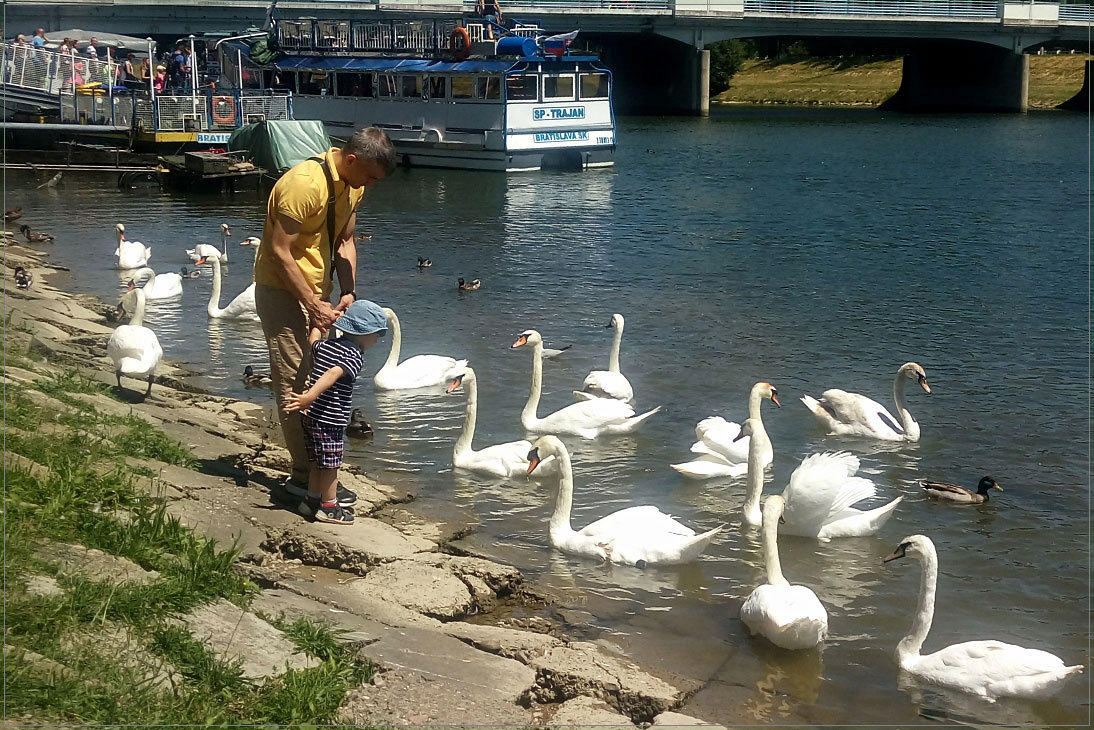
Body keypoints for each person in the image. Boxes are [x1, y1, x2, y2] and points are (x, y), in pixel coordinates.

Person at [253, 127, 396, 508]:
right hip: (283, 290)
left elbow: (345, 240)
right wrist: (312, 303)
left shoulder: (353, 186)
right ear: (352, 160)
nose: (371, 185)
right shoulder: (303, 185)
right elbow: (279, 251)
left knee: (319, 374)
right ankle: (303, 478)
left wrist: (348, 288)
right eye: (370, 176)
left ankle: (316, 471)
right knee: (296, 376)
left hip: (320, 292)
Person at [282, 299, 388, 524]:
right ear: (363, 333)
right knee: (331, 465)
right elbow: (332, 374)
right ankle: (329, 506)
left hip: (311, 416)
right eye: (376, 334)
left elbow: (312, 344)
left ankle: (311, 501)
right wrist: (309, 396)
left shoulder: (328, 346)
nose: (377, 340)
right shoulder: (353, 355)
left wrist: (317, 326)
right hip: (329, 417)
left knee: (316, 462)